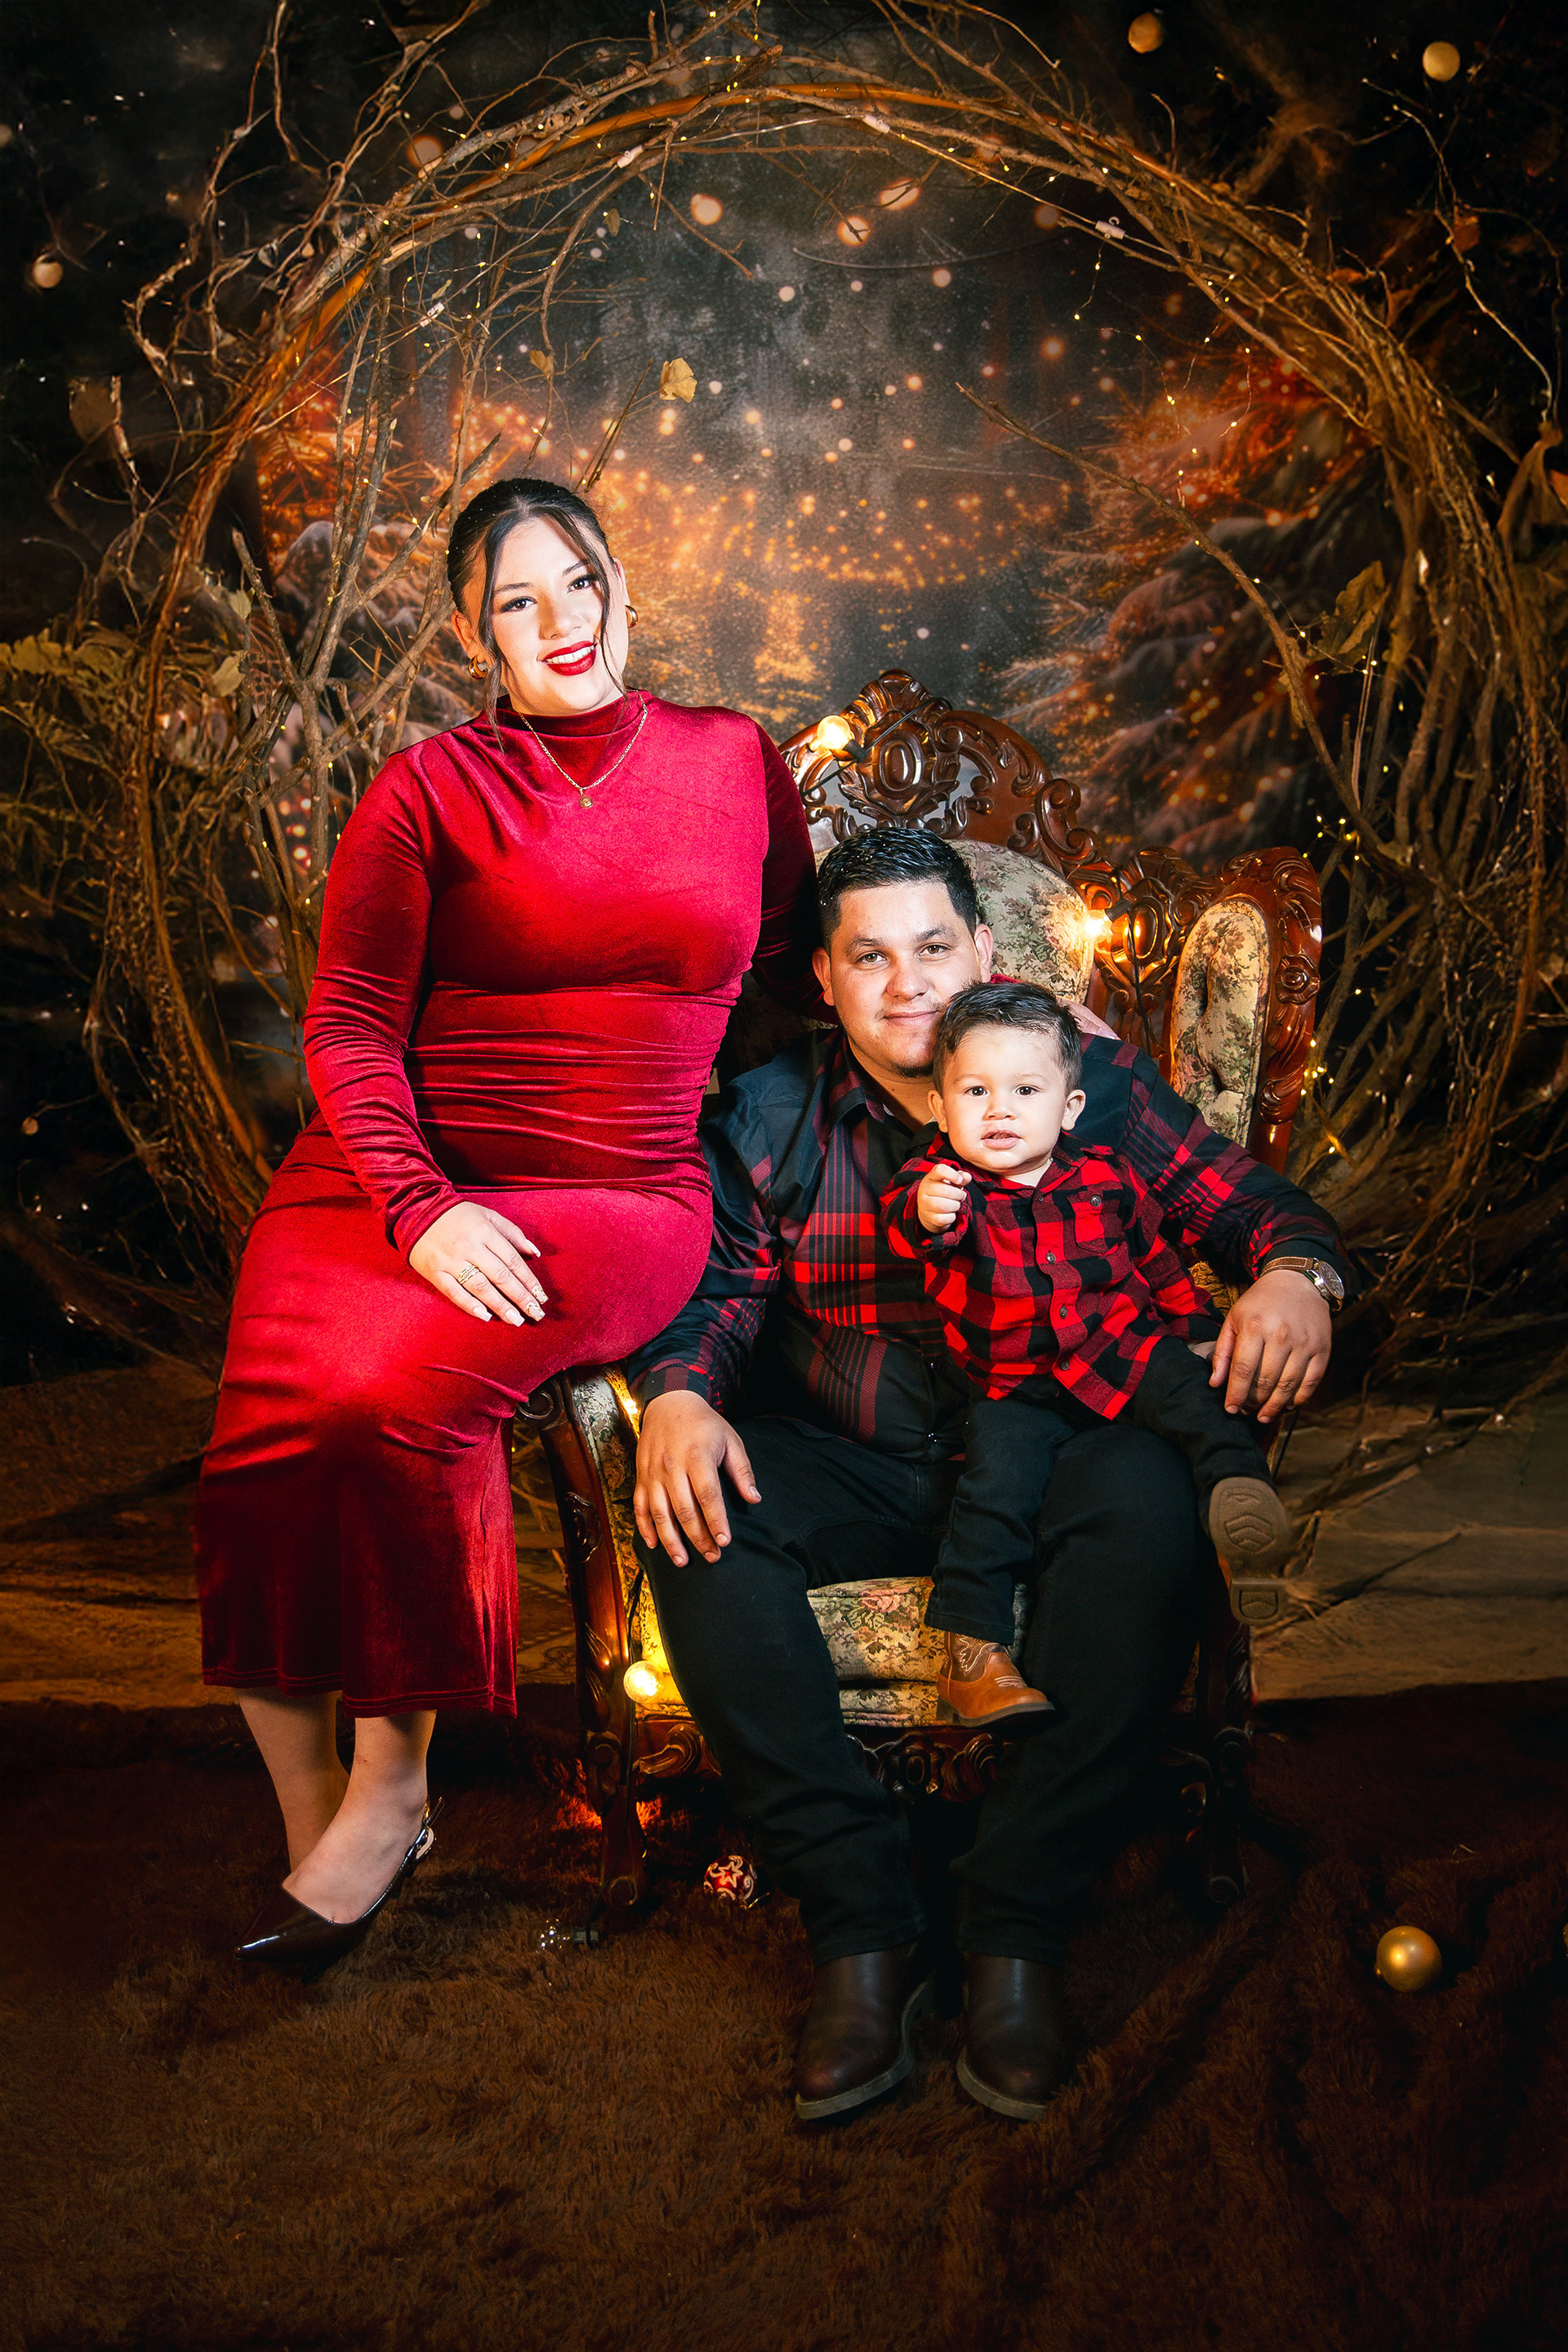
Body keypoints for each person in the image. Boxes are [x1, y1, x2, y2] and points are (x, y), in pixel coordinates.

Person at [630, 826, 1351, 2123]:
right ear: (825, 980)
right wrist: (679, 1397)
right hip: (851, 1452)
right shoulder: (772, 1113)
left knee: (1151, 1509)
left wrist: (1299, 1275)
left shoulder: (1090, 1085)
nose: (908, 982)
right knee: (700, 1523)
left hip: (1057, 1447)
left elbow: (1257, 1206)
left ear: (985, 952)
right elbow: (719, 1296)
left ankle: (1015, 1927)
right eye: (870, 958)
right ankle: (863, 1927)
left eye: (933, 947)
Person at [196, 474, 819, 1970]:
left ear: (620, 587)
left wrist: (975, 1049)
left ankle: (392, 1782)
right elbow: (347, 1027)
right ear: (477, 634)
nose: (560, 623)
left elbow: (795, 982)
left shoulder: (734, 760)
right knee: (271, 1435)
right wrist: (419, 1212)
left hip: (619, 1193)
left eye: (579, 584)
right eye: (517, 603)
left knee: (385, 1400)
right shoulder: (425, 789)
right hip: (389, 1183)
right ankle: (320, 1828)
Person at [881, 980, 1295, 1734]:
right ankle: (972, 1657)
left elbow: (1157, 1258)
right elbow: (909, 1228)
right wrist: (926, 1210)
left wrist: (1194, 1328)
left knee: (1198, 1400)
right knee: (992, 1498)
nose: (999, 1110)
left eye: (1025, 1090)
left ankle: (1240, 1510)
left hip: (1121, 1348)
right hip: (1014, 1385)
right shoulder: (944, 1185)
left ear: (1069, 1107)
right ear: (940, 1107)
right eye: (975, 1091)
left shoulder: (1107, 1174)